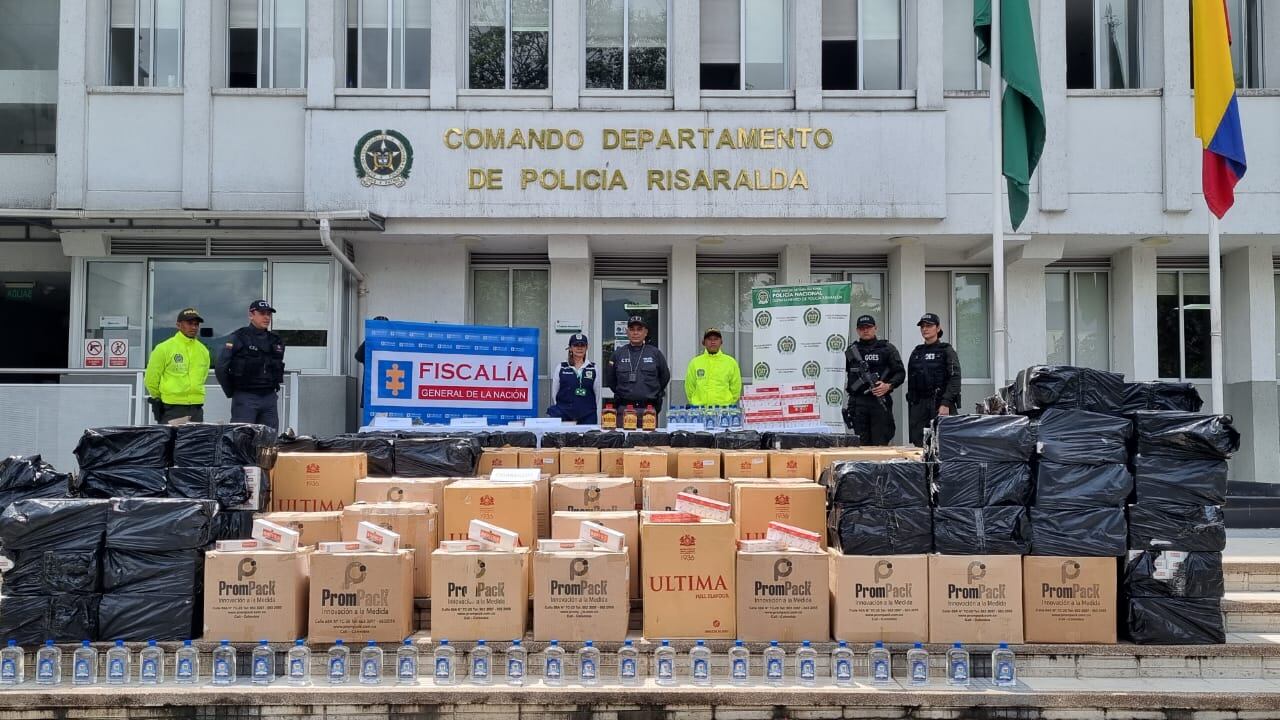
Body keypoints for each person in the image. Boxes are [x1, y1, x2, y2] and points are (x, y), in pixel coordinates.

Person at [216, 299, 286, 429]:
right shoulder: (238, 337)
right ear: (251, 315)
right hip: (246, 397)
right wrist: (232, 391)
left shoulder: (275, 340)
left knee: (268, 441)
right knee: (242, 439)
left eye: (269, 314)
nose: (266, 317)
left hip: (269, 398)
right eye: (262, 313)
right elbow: (221, 368)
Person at [843, 314, 905, 446]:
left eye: (869, 327)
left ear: (875, 328)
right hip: (859, 403)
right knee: (860, 444)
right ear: (857, 330)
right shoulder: (852, 351)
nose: (865, 330)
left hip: (879, 402)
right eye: (862, 328)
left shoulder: (887, 349)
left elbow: (900, 373)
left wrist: (888, 386)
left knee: (880, 443)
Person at [144, 307, 210, 423]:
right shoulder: (164, 348)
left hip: (196, 408)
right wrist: (159, 399)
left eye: (196, 324)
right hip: (172, 408)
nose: (194, 327)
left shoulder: (203, 350)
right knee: (172, 441)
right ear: (178, 325)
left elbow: (203, 377)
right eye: (189, 323)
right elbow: (151, 379)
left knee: (196, 441)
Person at [907, 312, 963, 447]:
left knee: (943, 445)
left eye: (929, 326)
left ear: (938, 328)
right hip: (920, 408)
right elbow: (911, 383)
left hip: (940, 404)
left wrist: (946, 403)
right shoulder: (916, 352)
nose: (925, 329)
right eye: (922, 326)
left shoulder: (946, 350)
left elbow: (955, 379)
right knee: (920, 446)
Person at [604, 315, 671, 413]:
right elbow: (611, 380)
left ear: (645, 332)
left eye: (639, 329)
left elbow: (665, 377)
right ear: (627, 332)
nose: (635, 333)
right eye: (632, 329)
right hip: (624, 408)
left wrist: (654, 392)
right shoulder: (618, 354)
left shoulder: (655, 353)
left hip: (648, 409)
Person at [547, 333, 603, 424]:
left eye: (582, 345)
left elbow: (596, 394)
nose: (579, 348)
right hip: (564, 414)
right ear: (570, 348)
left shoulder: (593, 368)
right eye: (576, 345)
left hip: (587, 415)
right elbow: (555, 394)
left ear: (587, 347)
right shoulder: (561, 367)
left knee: (588, 438)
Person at [684, 328, 742, 408]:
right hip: (700, 412)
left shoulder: (731, 363)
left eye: (716, 339)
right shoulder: (695, 363)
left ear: (721, 342)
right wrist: (696, 403)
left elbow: (736, 388)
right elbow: (689, 388)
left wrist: (729, 403)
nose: (713, 342)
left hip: (724, 413)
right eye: (709, 339)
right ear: (703, 342)